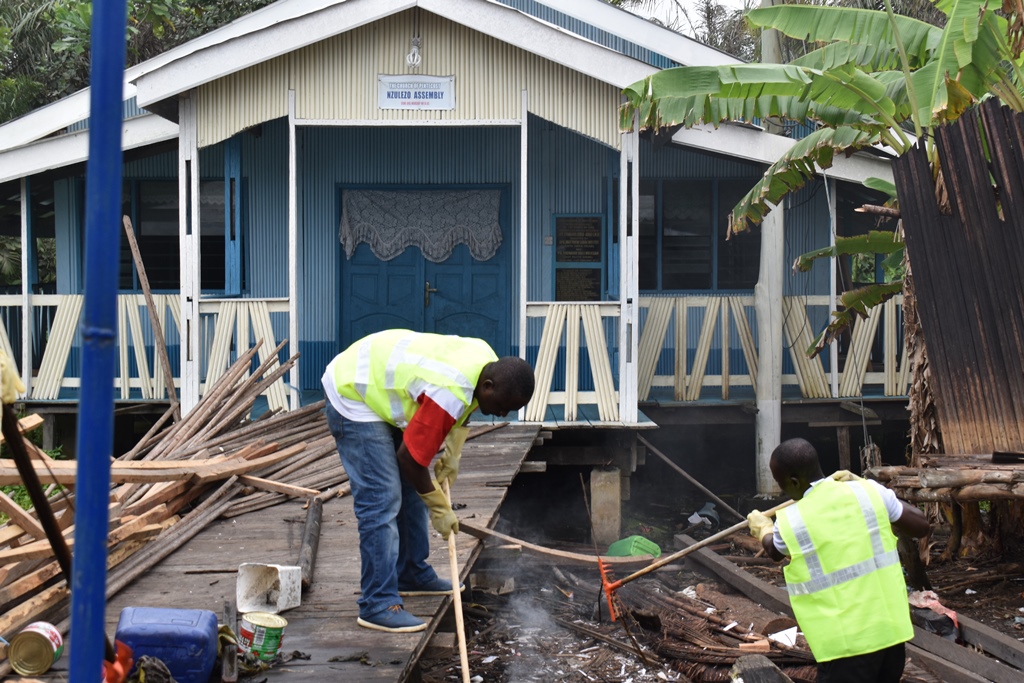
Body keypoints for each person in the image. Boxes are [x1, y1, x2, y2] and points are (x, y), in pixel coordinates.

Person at [322, 329, 535, 633]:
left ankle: (411, 572)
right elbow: (410, 461)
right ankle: (377, 603)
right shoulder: (449, 391)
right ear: (488, 386)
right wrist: (439, 508)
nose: (502, 413)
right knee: (382, 498)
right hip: (354, 393)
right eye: (503, 406)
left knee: (409, 491)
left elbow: (466, 404)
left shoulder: (487, 362)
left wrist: (454, 452)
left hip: (385, 385)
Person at [747, 438, 930, 683]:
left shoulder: (792, 520)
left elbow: (774, 550)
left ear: (793, 481)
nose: (782, 491)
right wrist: (864, 483)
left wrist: (762, 528)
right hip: (891, 638)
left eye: (781, 485)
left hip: (846, 648)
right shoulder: (868, 492)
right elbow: (921, 526)